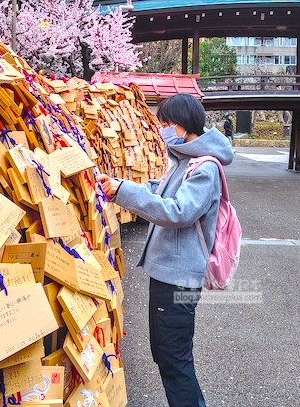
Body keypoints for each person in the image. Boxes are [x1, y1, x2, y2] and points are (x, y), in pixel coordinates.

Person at [97, 93, 234, 407]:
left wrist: (124, 192)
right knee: (167, 355)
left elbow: (178, 211)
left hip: (178, 280)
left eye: (166, 123)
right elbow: (158, 190)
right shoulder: (185, 160)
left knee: (174, 359)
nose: (163, 129)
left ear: (183, 125)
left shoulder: (204, 168)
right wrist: (118, 185)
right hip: (168, 276)